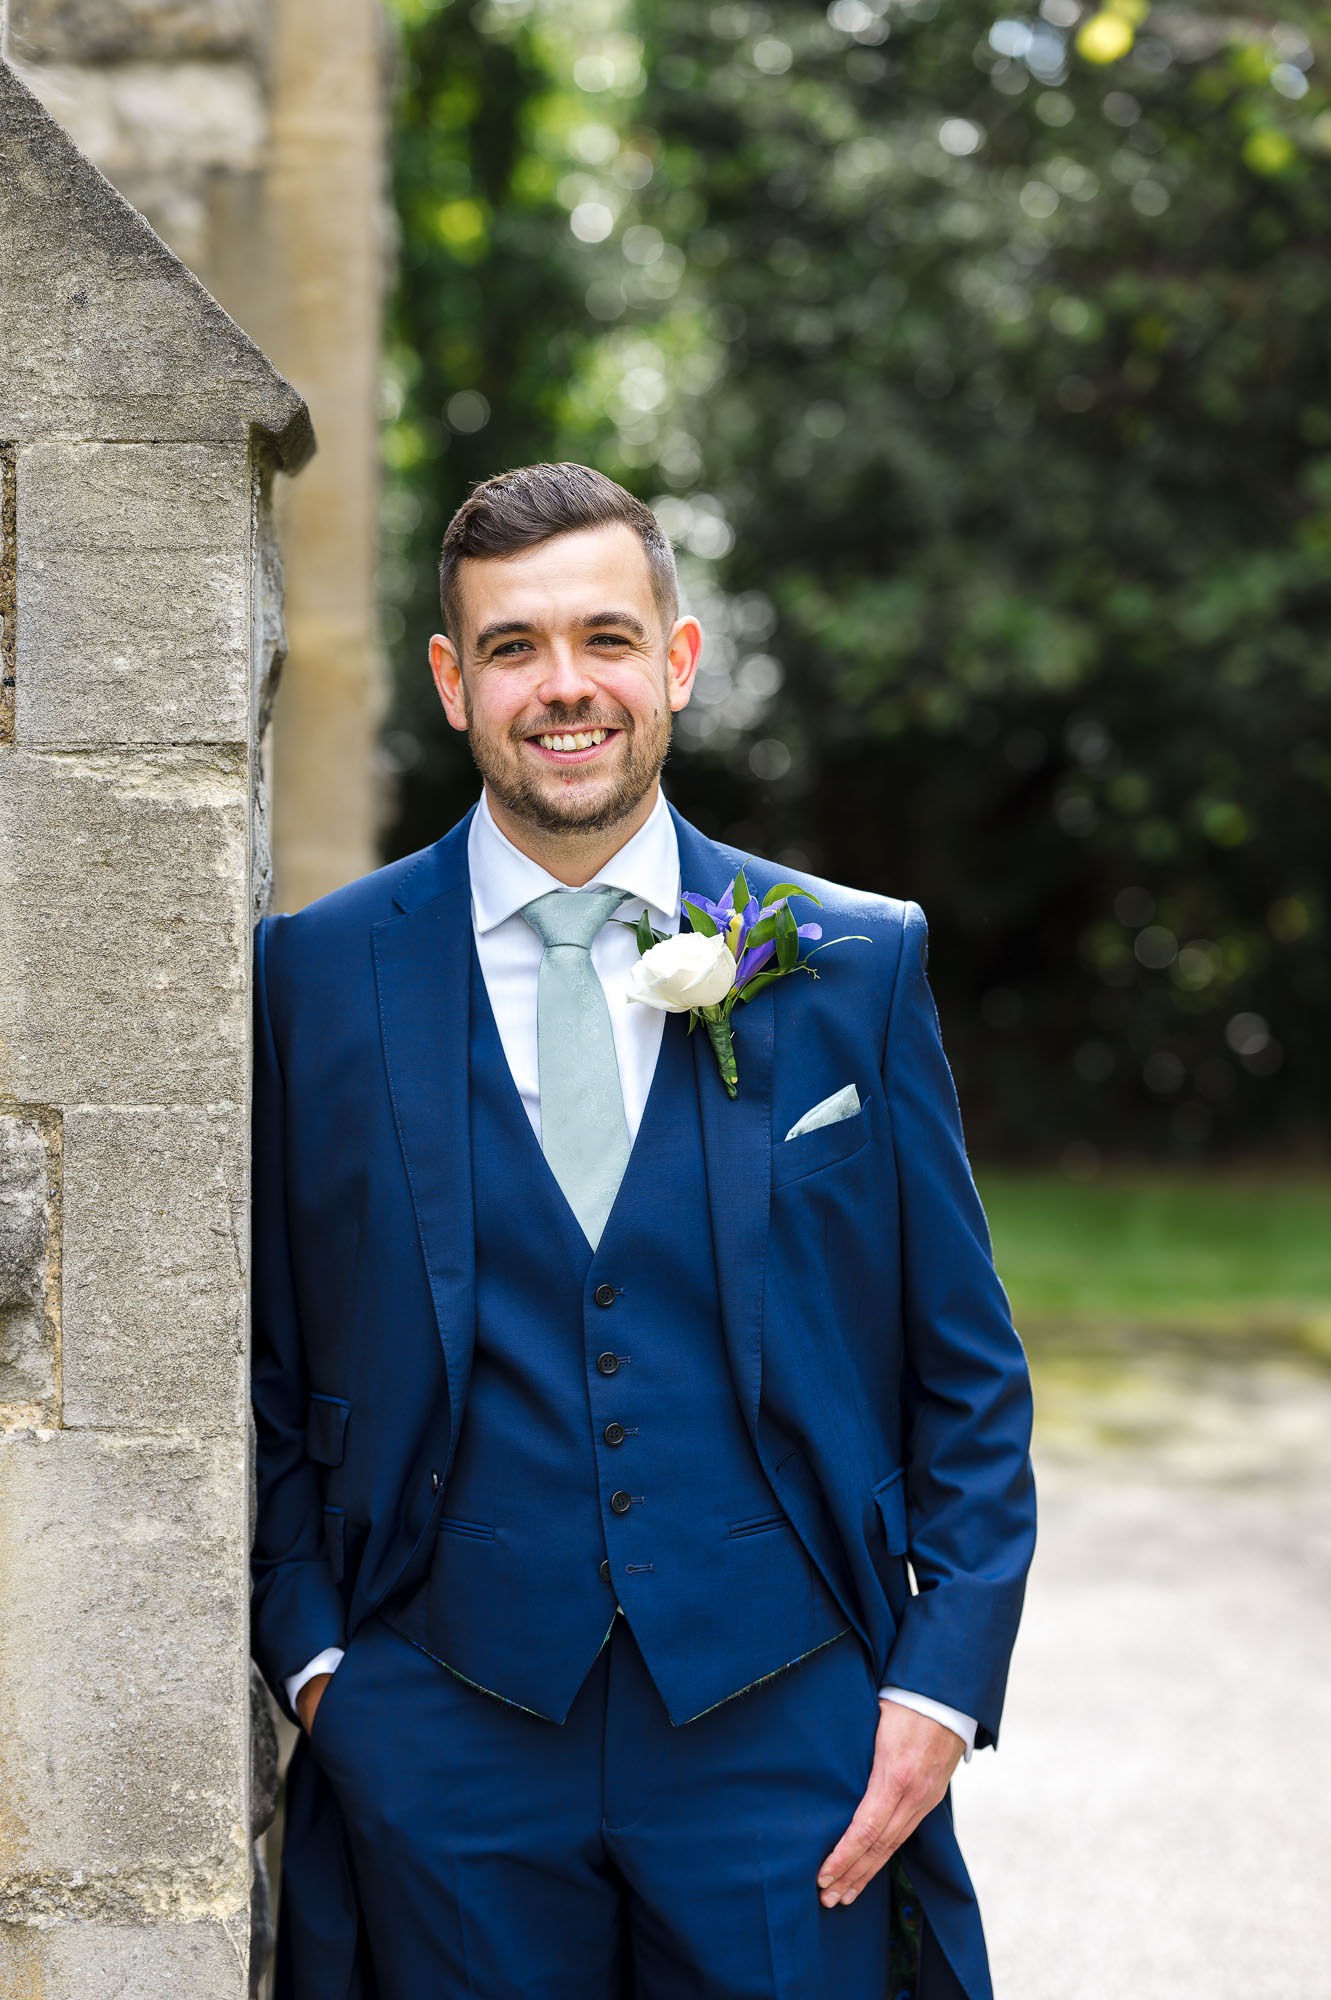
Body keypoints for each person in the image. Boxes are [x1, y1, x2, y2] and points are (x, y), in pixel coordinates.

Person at [251, 462, 1036, 2000]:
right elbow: (262, 1357)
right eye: (513, 646)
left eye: (606, 639)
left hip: (781, 1727)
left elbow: (968, 1368)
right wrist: (322, 1667)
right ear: (451, 681)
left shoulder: (847, 962)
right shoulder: (314, 976)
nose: (565, 688)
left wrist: (941, 1689)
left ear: (675, 661)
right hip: (440, 1727)